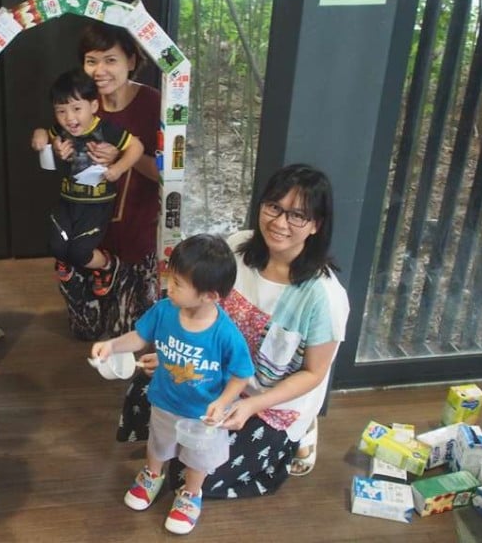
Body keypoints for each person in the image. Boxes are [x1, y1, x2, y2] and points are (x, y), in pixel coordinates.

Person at [118, 164, 350, 496]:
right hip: (214, 374)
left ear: (316, 225)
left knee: (196, 475)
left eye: (297, 216)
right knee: (147, 389)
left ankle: (300, 434)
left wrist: (254, 405)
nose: (280, 223)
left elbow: (314, 373)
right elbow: (201, 309)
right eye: (274, 207)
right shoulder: (239, 248)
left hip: (268, 402)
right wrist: (175, 350)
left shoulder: (323, 297)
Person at [92, 234, 254, 535]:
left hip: (202, 415)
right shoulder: (165, 310)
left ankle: (191, 494)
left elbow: (242, 373)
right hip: (165, 401)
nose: (169, 286)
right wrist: (113, 345)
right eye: (171, 277)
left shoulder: (226, 334)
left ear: (209, 296)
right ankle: (152, 475)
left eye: (178, 283)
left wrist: (224, 400)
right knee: (158, 444)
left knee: (198, 459)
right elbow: (140, 337)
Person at [56, 22, 162, 339]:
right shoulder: (80, 103)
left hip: (134, 227)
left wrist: (121, 157)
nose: (99, 70)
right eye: (91, 61)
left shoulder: (155, 103)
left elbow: (163, 174)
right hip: (88, 228)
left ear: (131, 60)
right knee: (85, 330)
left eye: (110, 60)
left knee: (127, 334)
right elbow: (58, 144)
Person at [31, 69, 144, 290]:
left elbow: (136, 147)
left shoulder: (106, 129)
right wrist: (40, 136)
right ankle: (66, 262)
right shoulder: (61, 129)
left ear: (93, 106)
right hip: (67, 200)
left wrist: (119, 168)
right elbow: (44, 132)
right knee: (55, 245)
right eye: (61, 111)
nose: (69, 118)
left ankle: (107, 266)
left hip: (97, 205)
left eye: (76, 109)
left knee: (80, 251)